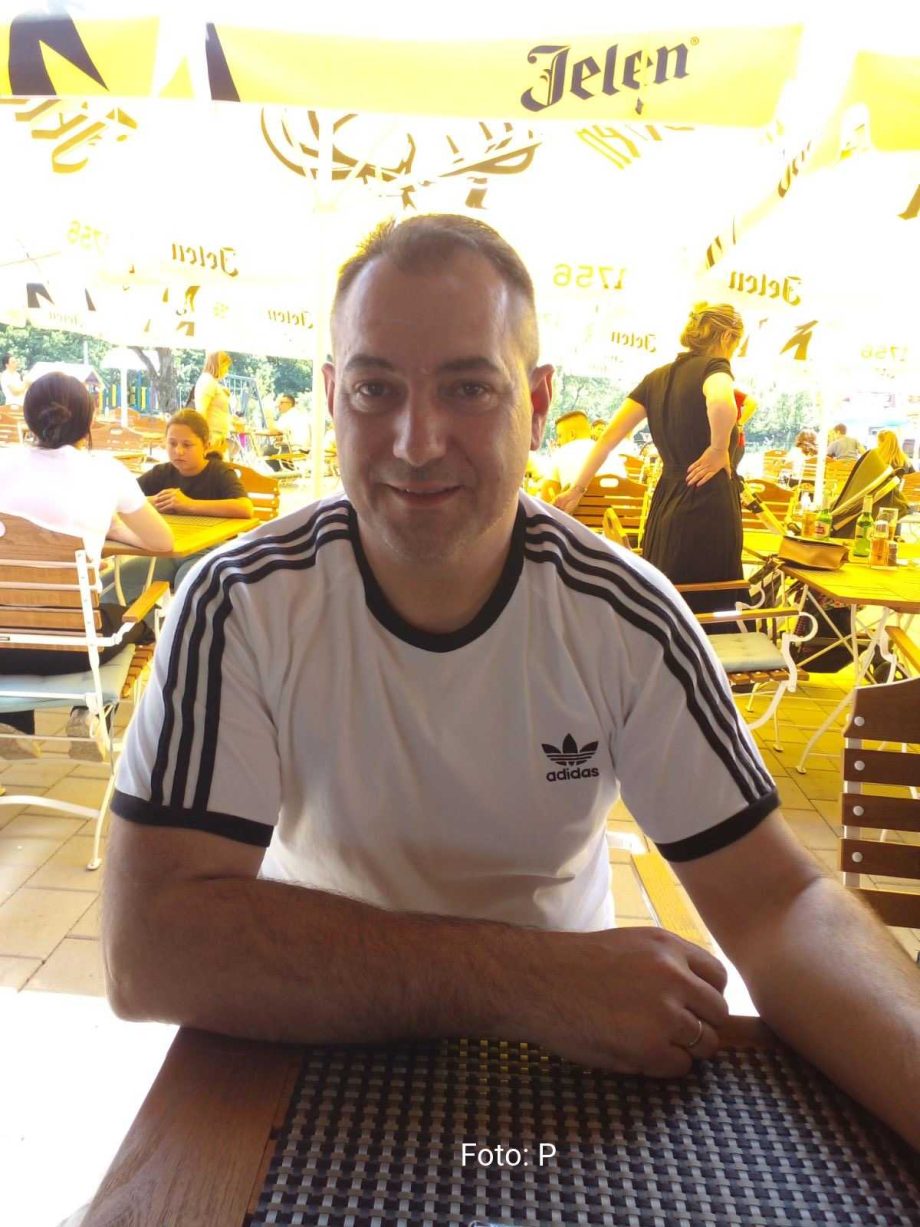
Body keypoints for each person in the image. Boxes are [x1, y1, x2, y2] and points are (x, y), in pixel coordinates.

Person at [102, 214, 920, 1153]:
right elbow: (148, 946)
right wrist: (529, 981)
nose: (416, 441)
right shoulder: (239, 604)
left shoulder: (626, 616)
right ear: (330, 397)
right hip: (302, 1045)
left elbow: (779, 903)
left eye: (468, 387)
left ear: (535, 403)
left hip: (562, 1082)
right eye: (374, 388)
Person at [0, 373, 173, 758]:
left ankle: (12, 722)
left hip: (3, 646)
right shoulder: (107, 472)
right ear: (89, 420)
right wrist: (114, 527)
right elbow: (163, 542)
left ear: (28, 416)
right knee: (137, 623)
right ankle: (90, 712)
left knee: (21, 616)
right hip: (76, 649)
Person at [555, 303, 745, 615]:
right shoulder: (715, 368)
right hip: (708, 504)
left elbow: (607, 439)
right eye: (737, 344)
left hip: (666, 501)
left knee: (667, 592)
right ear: (726, 336)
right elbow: (722, 401)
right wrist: (717, 448)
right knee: (708, 602)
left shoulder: (655, 379)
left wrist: (578, 488)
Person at [113, 409, 254, 611]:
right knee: (113, 584)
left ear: (206, 445)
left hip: (210, 551)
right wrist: (149, 502)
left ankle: (180, 629)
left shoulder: (219, 472)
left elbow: (245, 507)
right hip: (167, 552)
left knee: (188, 584)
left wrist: (188, 504)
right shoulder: (161, 473)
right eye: (172, 443)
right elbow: (119, 499)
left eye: (187, 445)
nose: (178, 451)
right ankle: (149, 627)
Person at [193, 351, 242, 456]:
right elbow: (201, 411)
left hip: (218, 436)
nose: (226, 371)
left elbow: (216, 410)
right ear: (219, 365)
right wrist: (205, 436)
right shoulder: (207, 381)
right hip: (212, 437)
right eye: (226, 367)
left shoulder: (212, 382)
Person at [264, 392, 311, 472]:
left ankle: (283, 472)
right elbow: (280, 432)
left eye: (281, 403)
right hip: (303, 449)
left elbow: (273, 431)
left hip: (294, 449)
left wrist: (268, 416)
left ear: (289, 404)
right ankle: (285, 471)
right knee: (271, 449)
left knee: (267, 451)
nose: (278, 405)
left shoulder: (289, 415)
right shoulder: (297, 414)